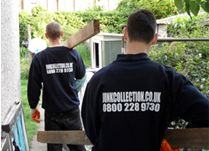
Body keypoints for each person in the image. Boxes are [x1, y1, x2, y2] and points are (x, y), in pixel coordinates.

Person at [81, 9, 209, 151]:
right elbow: (205, 113)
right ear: (154, 38)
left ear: (125, 33)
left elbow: (91, 130)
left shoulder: (98, 80)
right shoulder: (168, 79)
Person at [27, 22, 86, 151]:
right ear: (62, 34)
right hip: (72, 109)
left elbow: (33, 85)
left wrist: (33, 107)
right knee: (77, 145)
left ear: (46, 35)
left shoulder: (39, 58)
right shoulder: (73, 54)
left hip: (52, 111)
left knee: (54, 147)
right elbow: (81, 74)